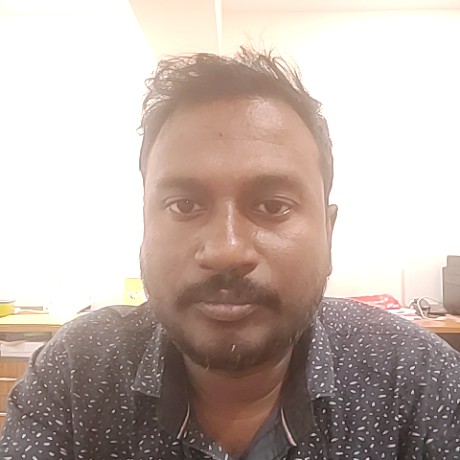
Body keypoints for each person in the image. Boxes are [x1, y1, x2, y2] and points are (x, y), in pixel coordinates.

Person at [1, 47, 459, 460]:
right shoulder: (75, 374)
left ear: (328, 232)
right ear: (144, 225)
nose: (225, 251)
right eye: (184, 205)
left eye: (273, 206)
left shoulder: (420, 379)